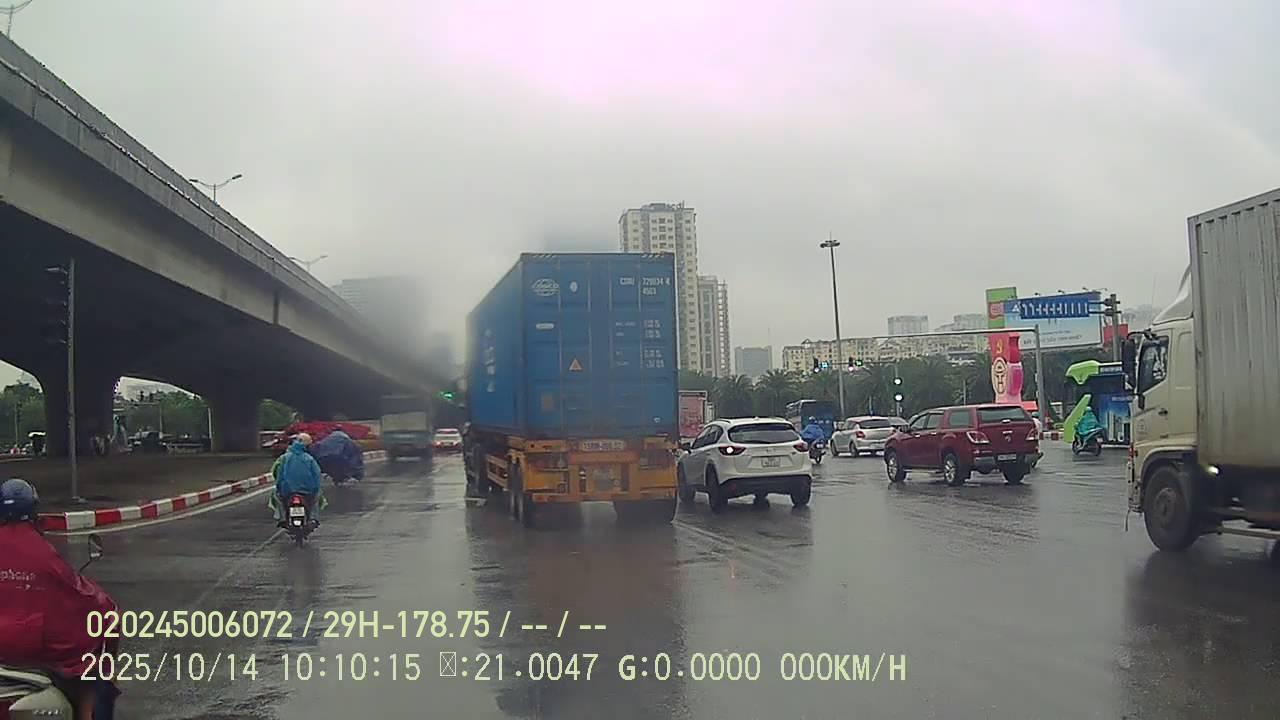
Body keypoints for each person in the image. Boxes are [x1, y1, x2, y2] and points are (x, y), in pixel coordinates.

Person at [0, 478, 119, 720]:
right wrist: (107, 612)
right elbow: (85, 599)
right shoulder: (42, 554)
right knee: (96, 684)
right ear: (34, 511)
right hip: (38, 656)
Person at [270, 433, 324, 526]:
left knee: (276, 495)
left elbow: (278, 473)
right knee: (317, 496)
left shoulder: (284, 458)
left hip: (287, 491)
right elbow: (317, 474)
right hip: (307, 491)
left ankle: (282, 518)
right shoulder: (309, 459)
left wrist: (279, 486)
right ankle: (313, 518)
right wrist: (316, 488)